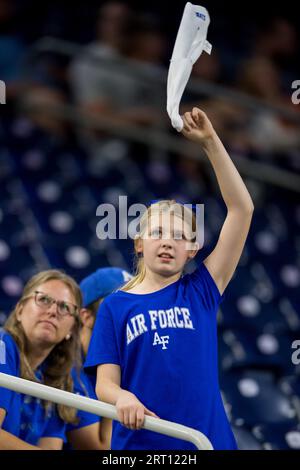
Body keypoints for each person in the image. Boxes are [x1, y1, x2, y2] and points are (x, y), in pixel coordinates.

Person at [85, 107, 254, 450]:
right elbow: (105, 383)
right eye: (158, 232)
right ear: (140, 242)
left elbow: (242, 209)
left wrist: (210, 143)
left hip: (208, 444)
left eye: (179, 236)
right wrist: (121, 398)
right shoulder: (116, 305)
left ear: (192, 250)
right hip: (141, 446)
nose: (167, 241)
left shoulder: (202, 291)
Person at [0, 269, 82, 450]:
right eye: (44, 300)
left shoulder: (57, 379)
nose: (53, 311)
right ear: (19, 310)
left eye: (64, 307)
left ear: (71, 329)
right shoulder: (1, 345)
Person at [65, 267, 132, 450]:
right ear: (86, 317)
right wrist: (117, 390)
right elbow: (101, 450)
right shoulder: (69, 367)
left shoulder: (133, 362)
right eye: (117, 308)